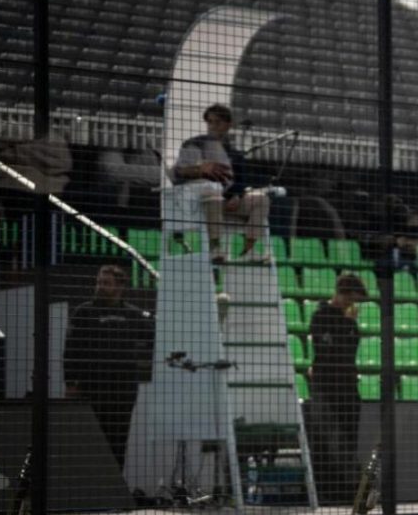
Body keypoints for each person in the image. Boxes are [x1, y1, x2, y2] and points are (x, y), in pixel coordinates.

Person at [63, 264, 154, 470]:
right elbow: (71, 350)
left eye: (106, 283)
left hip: (123, 389)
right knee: (91, 439)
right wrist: (70, 383)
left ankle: (114, 491)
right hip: (92, 387)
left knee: (118, 440)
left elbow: (154, 340)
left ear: (120, 286)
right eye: (99, 282)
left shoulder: (133, 314)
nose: (101, 287)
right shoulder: (84, 312)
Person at [172, 104, 270, 264]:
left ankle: (249, 251)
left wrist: (237, 195)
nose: (212, 126)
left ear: (228, 125)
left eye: (217, 122)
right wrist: (199, 169)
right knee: (214, 193)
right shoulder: (195, 143)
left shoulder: (234, 153)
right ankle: (215, 248)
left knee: (262, 199)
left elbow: (241, 180)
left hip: (228, 203)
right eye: (210, 122)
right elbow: (180, 171)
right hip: (199, 203)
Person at [308, 273, 367, 505]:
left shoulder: (348, 319)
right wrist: (347, 323)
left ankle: (348, 491)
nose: (354, 303)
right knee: (329, 438)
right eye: (352, 297)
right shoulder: (321, 316)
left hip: (348, 387)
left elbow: (349, 350)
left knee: (349, 437)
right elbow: (328, 351)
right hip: (326, 387)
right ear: (344, 293)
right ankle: (328, 492)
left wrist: (349, 323)